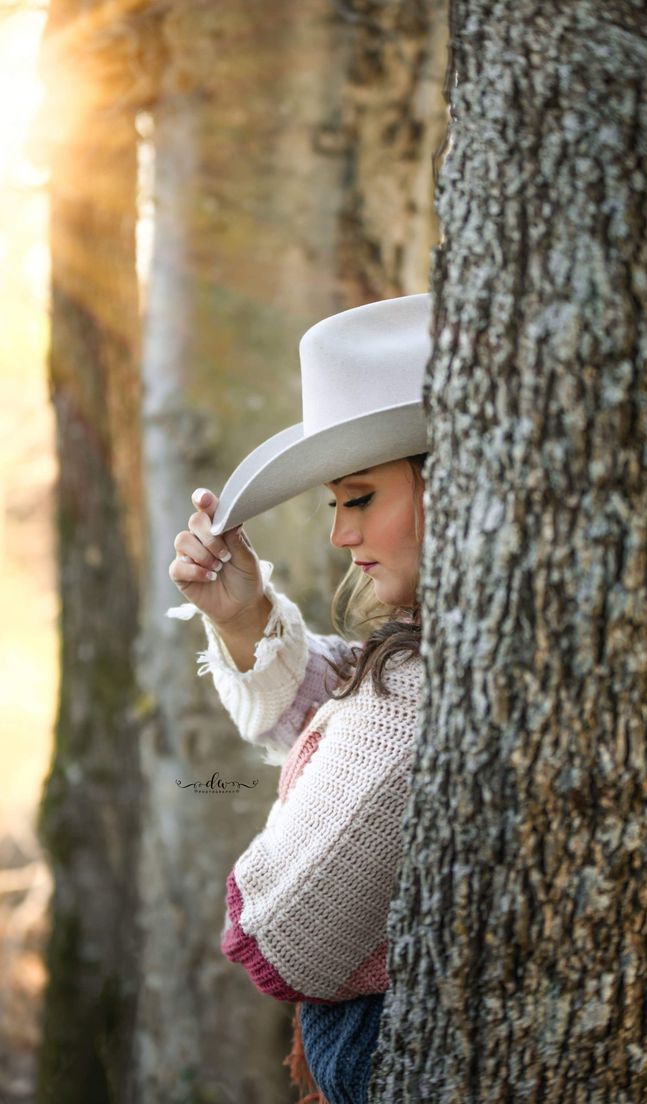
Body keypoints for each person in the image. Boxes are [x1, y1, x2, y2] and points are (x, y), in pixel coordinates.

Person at [166, 294, 431, 1104]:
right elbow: (342, 705)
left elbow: (277, 940)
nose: (339, 535)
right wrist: (245, 616)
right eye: (334, 504)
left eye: (359, 499)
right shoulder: (456, 653)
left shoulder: (416, 703)